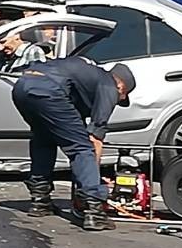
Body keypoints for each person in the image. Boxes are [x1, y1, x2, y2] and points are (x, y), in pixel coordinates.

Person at [11, 57, 137, 231]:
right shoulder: (109, 85)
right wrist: (93, 177)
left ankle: (40, 201)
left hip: (22, 86)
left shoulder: (89, 75)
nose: (117, 100)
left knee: (43, 138)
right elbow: (95, 137)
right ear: (122, 87)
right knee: (82, 148)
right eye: (121, 98)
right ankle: (94, 211)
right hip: (49, 89)